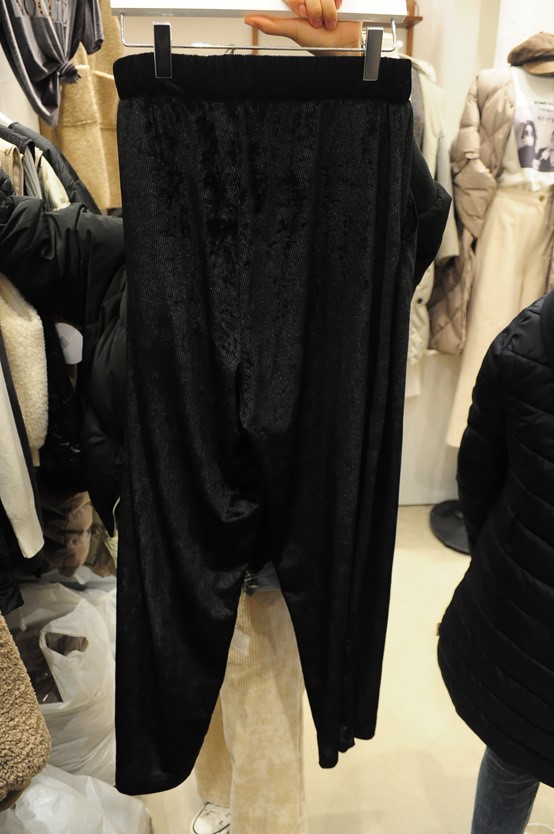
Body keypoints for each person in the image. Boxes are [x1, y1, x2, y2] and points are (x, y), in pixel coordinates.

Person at [437, 288, 554, 834]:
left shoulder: (522, 340)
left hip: (523, 606)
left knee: (514, 752)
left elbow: (478, 477)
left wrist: (500, 560)